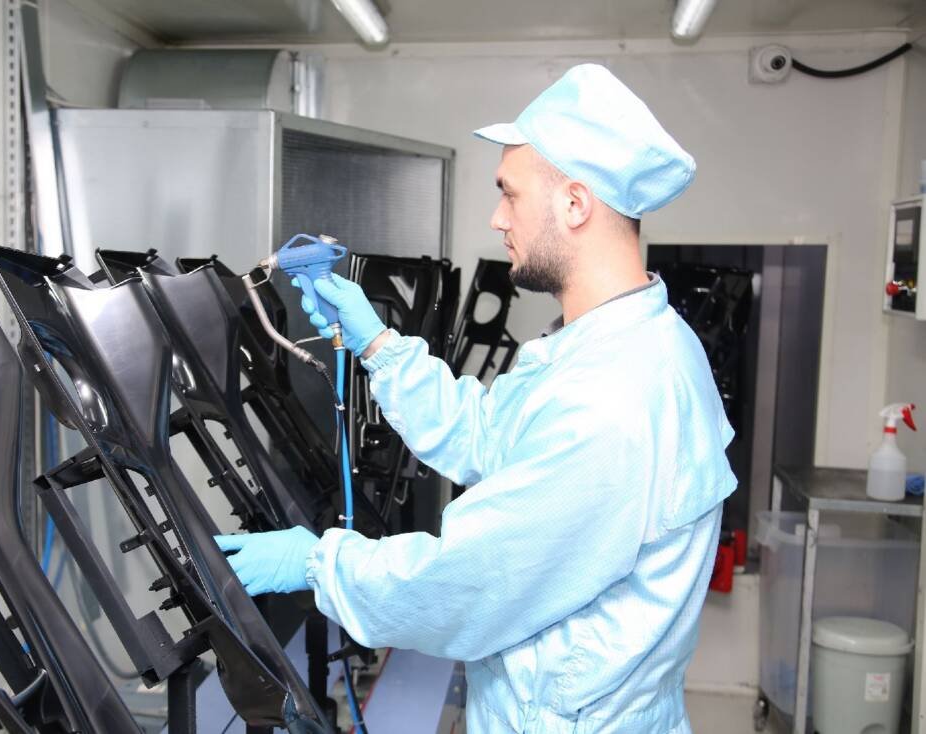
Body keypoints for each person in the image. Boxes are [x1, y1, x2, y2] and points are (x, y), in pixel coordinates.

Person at [216, 64, 736, 733]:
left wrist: (318, 564)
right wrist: (380, 346)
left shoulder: (615, 394)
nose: (497, 218)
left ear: (576, 204)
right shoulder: (616, 344)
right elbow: (490, 437)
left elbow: (468, 583)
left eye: (509, 194)